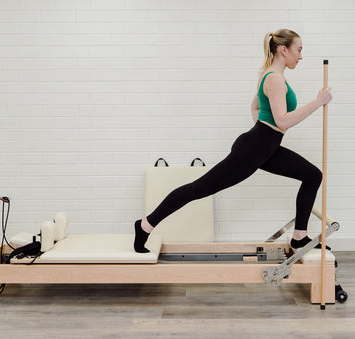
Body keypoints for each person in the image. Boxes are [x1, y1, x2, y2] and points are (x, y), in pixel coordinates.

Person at [134, 29, 333, 253]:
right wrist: (318, 102)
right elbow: (283, 121)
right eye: (299, 50)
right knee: (198, 188)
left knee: (313, 175)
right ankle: (144, 226)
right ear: (284, 50)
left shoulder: (270, 75)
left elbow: (257, 106)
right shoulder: (275, 79)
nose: (301, 56)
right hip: (254, 148)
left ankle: (299, 236)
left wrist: (265, 130)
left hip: (265, 145)